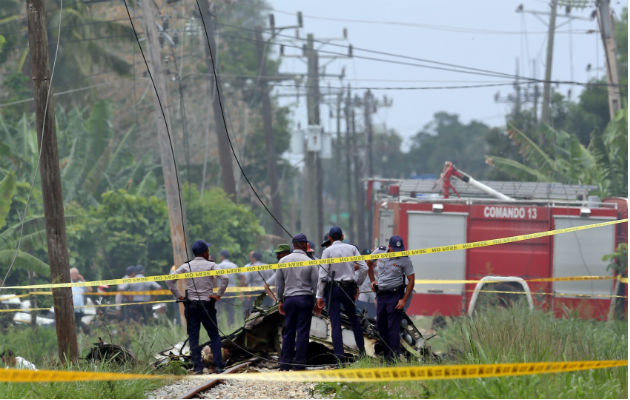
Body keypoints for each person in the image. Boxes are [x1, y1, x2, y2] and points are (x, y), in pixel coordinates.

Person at [166, 240, 228, 374]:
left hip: (191, 306)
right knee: (214, 336)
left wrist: (179, 296)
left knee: (194, 336)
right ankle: (219, 366)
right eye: (208, 251)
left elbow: (169, 280)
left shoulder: (186, 266)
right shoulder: (211, 265)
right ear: (205, 252)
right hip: (207, 305)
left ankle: (198, 367)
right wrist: (218, 295)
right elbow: (225, 278)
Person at [315, 226, 368, 360]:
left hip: (333, 290)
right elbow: (364, 268)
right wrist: (357, 284)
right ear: (342, 236)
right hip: (349, 288)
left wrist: (319, 296)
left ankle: (339, 356)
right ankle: (362, 352)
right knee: (354, 320)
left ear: (330, 238)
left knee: (335, 322)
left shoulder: (327, 251)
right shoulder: (352, 248)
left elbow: (322, 276)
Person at [275, 234, 320, 370]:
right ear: (306, 245)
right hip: (305, 300)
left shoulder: (283, 261)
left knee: (289, 331)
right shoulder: (309, 262)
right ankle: (299, 364)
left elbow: (279, 284)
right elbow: (316, 284)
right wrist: (317, 301)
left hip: (289, 300)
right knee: (302, 331)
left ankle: (285, 363)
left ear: (293, 245)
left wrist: (280, 300)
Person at [368, 235, 415, 361]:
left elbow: (411, 280)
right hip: (381, 295)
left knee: (393, 327)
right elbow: (368, 263)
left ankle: (393, 358)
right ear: (389, 247)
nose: (397, 252)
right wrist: (372, 281)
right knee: (381, 326)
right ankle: (387, 353)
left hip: (395, 296)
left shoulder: (405, 259)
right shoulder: (380, 251)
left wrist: (404, 299)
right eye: (395, 249)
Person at [356, 246, 387, 319]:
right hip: (363, 291)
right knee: (361, 306)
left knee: (376, 304)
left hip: (373, 289)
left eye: (369, 257)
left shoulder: (376, 267)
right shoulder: (360, 266)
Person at [218, 249, 242, 327]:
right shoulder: (234, 265)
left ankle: (220, 325)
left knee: (219, 309)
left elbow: (214, 278)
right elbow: (242, 277)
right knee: (230, 309)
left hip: (221, 291)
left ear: (222, 256)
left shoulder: (218, 266)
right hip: (232, 290)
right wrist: (239, 287)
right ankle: (230, 325)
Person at [70, 267, 92, 332]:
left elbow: (90, 290)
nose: (74, 276)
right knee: (71, 327)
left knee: (79, 327)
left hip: (79, 310)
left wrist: (82, 279)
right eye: (72, 274)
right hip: (70, 309)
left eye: (76, 274)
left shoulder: (81, 283)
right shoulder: (67, 283)